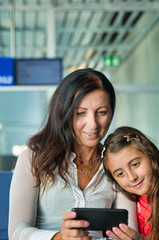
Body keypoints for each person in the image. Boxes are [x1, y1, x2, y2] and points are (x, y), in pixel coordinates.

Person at [9, 68, 138, 240]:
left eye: (101, 112)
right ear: (64, 113)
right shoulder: (32, 159)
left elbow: (127, 231)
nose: (93, 124)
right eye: (80, 113)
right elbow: (16, 231)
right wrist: (59, 237)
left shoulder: (119, 164)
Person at [103, 126, 159, 240]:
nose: (132, 177)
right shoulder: (129, 201)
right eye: (120, 174)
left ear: (150, 154)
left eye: (135, 164)